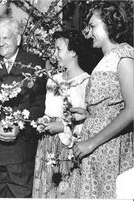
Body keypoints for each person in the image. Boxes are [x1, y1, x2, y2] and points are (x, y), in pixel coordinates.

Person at [0, 17, 46, 197]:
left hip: (21, 151)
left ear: (18, 39)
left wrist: (21, 126)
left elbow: (39, 104)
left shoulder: (34, 63)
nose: (0, 43)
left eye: (5, 38)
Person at [71, 2, 134, 198]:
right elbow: (112, 103)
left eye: (93, 26)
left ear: (110, 25)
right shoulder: (107, 57)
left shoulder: (124, 56)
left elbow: (132, 110)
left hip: (108, 147)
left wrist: (91, 143)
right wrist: (89, 114)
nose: (88, 32)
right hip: (98, 147)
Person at [32, 30, 90, 198]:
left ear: (73, 52)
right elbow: (49, 111)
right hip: (46, 146)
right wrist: (43, 120)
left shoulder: (86, 82)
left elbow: (89, 120)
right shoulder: (52, 80)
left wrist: (63, 127)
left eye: (59, 49)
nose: (54, 54)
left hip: (69, 149)